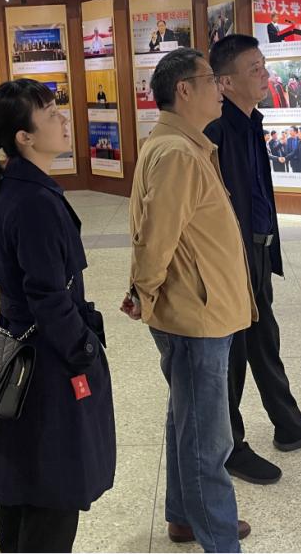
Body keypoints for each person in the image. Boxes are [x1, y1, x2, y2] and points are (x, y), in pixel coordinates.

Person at [124, 48, 256, 552]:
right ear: (184, 89)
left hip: (196, 307)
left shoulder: (179, 144)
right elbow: (156, 237)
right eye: (210, 79)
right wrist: (143, 291)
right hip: (195, 314)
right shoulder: (178, 152)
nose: (219, 88)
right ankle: (218, 537)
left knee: (187, 416)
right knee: (207, 436)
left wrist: (144, 291)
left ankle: (184, 516)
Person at [0, 80, 115, 552]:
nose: (63, 120)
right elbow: (47, 294)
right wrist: (83, 349)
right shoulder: (34, 200)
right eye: (51, 114)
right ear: (25, 137)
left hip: (27, 354)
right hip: (47, 362)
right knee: (53, 483)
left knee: (26, 477)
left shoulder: (21, 188)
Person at [206, 36, 301, 485]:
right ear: (225, 82)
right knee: (233, 355)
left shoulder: (250, 121)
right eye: (255, 69)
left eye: (264, 66)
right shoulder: (216, 131)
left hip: (258, 251)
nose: (266, 75)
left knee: (265, 341)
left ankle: (288, 423)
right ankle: (231, 446)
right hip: (232, 260)